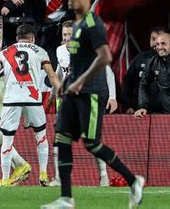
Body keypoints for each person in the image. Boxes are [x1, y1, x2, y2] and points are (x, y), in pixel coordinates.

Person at [42, 0, 144, 209]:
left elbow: (105, 57)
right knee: (62, 138)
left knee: (92, 144)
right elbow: (77, 65)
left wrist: (81, 82)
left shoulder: (92, 24)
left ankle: (133, 180)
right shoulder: (76, 26)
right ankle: (66, 198)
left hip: (91, 92)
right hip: (73, 92)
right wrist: (64, 84)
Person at [0, 23, 61, 187]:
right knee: (41, 136)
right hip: (33, 99)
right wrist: (61, 93)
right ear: (32, 38)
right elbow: (52, 76)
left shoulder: (5, 52)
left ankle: (4, 178)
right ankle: (43, 175)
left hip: (12, 99)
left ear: (17, 38)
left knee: (8, 139)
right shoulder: (40, 51)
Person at [49, 20, 118, 187]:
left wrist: (112, 97)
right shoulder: (60, 50)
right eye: (64, 34)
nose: (66, 38)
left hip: (87, 98)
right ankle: (59, 178)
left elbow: (108, 72)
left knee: (92, 140)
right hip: (67, 101)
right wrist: (53, 92)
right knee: (60, 137)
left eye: (70, 34)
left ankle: (103, 176)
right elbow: (60, 70)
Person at [134, 33, 170, 117]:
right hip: (163, 114)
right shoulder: (152, 62)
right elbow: (143, 84)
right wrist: (142, 106)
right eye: (157, 44)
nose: (159, 47)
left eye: (163, 43)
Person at [122, 27, 164, 114]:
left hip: (166, 114)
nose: (156, 42)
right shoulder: (139, 59)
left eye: (160, 39)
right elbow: (127, 84)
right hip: (139, 112)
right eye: (153, 39)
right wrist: (128, 106)